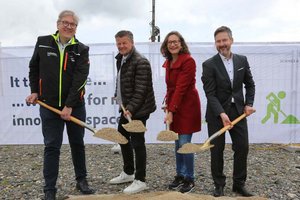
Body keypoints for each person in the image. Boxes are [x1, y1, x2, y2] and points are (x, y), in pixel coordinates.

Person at [26, 10, 94, 200]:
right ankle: (49, 189)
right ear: (58, 24)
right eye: (65, 23)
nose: (68, 26)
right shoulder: (42, 42)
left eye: (72, 24)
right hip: (49, 106)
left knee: (77, 144)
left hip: (75, 107)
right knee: (52, 147)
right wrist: (34, 91)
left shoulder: (81, 49)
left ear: (76, 28)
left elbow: (80, 79)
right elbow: (34, 68)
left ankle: (81, 180)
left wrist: (70, 105)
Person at [201, 26, 256, 197]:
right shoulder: (209, 65)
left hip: (238, 112)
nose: (222, 44)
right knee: (216, 150)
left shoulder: (242, 60)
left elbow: (250, 84)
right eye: (218, 41)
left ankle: (239, 184)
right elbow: (210, 93)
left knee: (242, 147)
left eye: (225, 40)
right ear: (215, 43)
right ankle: (219, 184)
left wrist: (248, 104)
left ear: (231, 40)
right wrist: (221, 113)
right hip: (217, 114)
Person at [109, 30, 156, 194]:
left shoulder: (140, 61)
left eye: (124, 43)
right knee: (121, 137)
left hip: (139, 109)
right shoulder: (121, 58)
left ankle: (140, 180)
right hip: (127, 108)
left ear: (132, 42)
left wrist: (130, 109)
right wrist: (118, 95)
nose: (121, 46)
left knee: (137, 143)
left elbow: (141, 90)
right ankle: (129, 173)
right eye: (119, 44)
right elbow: (121, 80)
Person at [160, 31, 201, 193]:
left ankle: (190, 178)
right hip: (175, 105)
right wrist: (167, 103)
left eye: (176, 41)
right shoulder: (169, 62)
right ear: (166, 45)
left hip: (188, 107)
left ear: (181, 43)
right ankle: (180, 174)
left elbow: (181, 88)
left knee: (185, 143)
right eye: (170, 42)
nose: (172, 44)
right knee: (177, 144)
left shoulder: (188, 61)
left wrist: (171, 110)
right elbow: (171, 88)